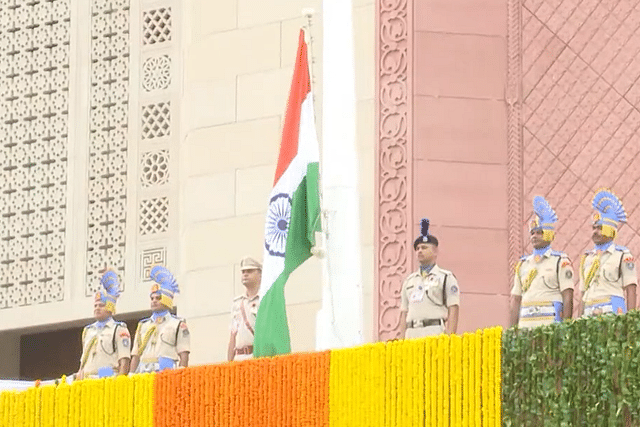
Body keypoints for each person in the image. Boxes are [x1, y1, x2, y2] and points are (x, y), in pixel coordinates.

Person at [509, 196, 574, 328]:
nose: (534, 236)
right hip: (526, 324)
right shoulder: (523, 264)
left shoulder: (560, 261)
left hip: (550, 324)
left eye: (539, 232)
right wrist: (512, 330)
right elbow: (516, 299)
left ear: (549, 234)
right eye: (532, 233)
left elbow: (568, 295)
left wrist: (566, 327)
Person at [579, 189, 637, 317]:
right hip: (589, 312)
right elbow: (583, 293)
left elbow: (631, 289)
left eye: (600, 228)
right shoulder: (587, 258)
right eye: (594, 228)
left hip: (612, 312)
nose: (595, 232)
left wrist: (631, 320)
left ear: (611, 230)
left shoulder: (622, 256)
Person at [399, 218, 460, 338]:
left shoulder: (445, 277)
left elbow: (453, 308)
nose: (419, 251)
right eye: (417, 249)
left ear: (435, 251)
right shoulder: (409, 281)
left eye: (424, 248)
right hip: (411, 333)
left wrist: (450, 337)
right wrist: (401, 340)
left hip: (434, 331)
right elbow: (404, 312)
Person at [130, 265, 190, 372]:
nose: (154, 301)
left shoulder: (177, 324)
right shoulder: (143, 325)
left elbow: (184, 354)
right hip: (143, 372)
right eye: (152, 298)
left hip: (166, 369)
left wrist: (181, 375)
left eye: (158, 298)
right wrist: (130, 375)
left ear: (167, 300)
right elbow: (135, 355)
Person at [76, 270, 131, 379]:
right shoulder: (88, 330)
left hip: (107, 379)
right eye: (95, 305)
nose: (97, 308)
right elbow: (83, 362)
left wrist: (120, 383)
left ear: (110, 308)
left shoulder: (118, 329)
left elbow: (124, 360)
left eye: (101, 305)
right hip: (87, 380)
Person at [228, 257, 262, 361]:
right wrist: (229, 363)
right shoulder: (237, 303)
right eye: (243, 272)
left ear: (260, 274)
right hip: (239, 357)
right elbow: (233, 334)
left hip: (257, 356)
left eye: (250, 271)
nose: (245, 274)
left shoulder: (264, 300)